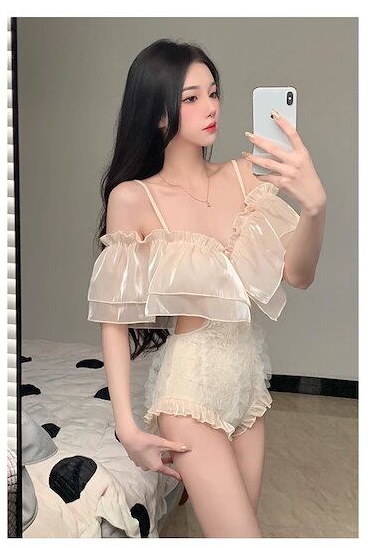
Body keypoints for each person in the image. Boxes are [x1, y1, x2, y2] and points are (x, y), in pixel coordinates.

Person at [87, 38, 327, 538]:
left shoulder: (247, 175)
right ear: (158, 113)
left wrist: (314, 209)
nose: (211, 107)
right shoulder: (133, 198)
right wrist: (128, 428)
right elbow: (114, 320)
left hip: (249, 388)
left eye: (213, 93)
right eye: (191, 97)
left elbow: (299, 275)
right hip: (189, 394)